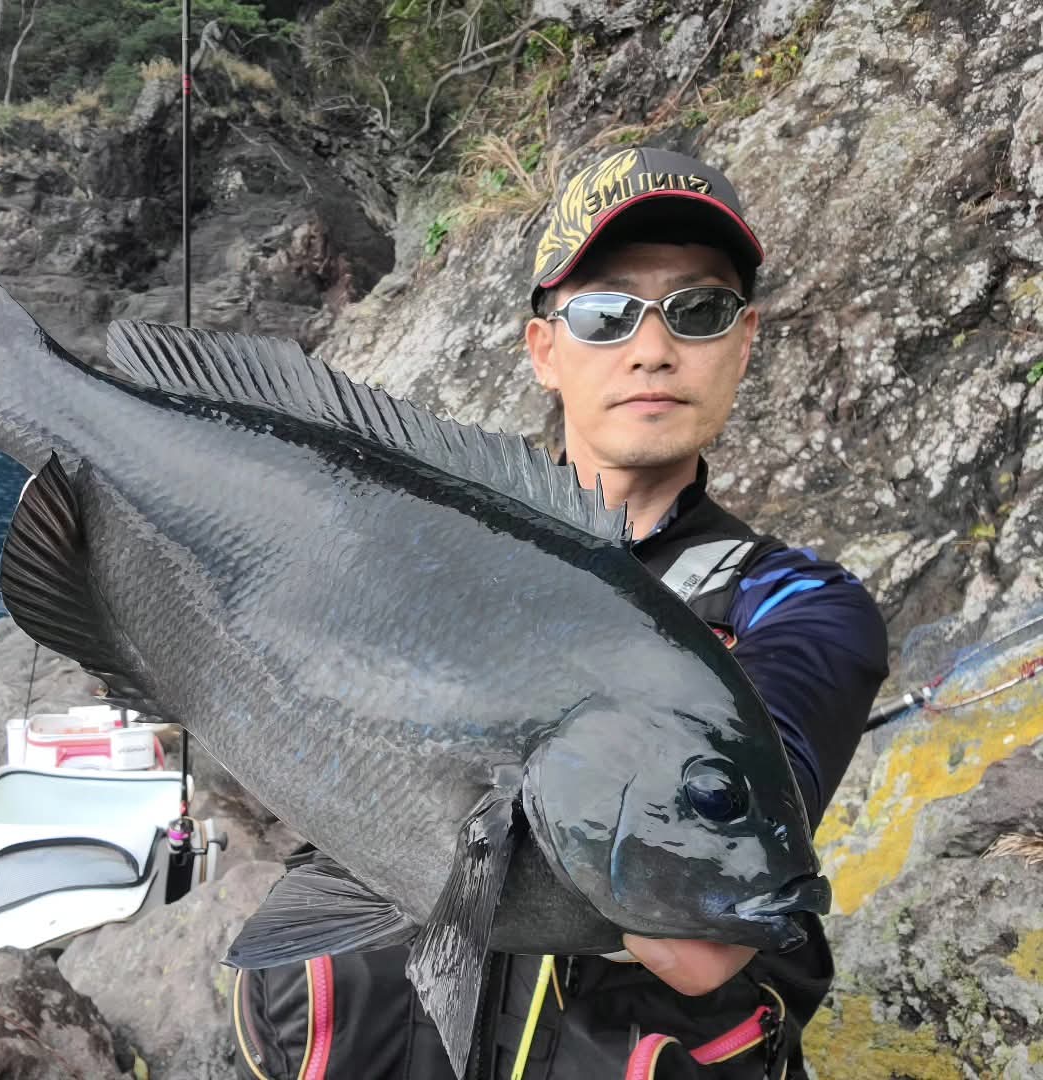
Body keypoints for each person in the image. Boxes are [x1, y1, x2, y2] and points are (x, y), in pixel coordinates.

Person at [233, 146, 889, 1080]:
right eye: (605, 312)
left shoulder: (803, 610)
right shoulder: (411, 557)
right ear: (544, 349)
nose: (652, 348)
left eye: (697, 312)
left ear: (743, 342)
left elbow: (704, 929)